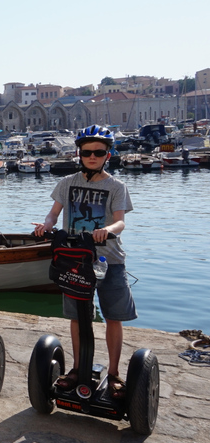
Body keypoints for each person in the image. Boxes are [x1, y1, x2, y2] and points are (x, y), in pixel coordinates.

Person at [32, 124, 135, 399]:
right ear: (79, 154)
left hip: (109, 260)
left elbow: (121, 220)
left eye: (98, 152)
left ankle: (113, 373)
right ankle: (78, 368)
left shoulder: (116, 186)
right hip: (75, 260)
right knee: (78, 318)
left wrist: (108, 230)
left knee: (113, 317)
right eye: (87, 152)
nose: (92, 156)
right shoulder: (67, 183)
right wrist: (47, 225)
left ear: (107, 155)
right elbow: (54, 214)